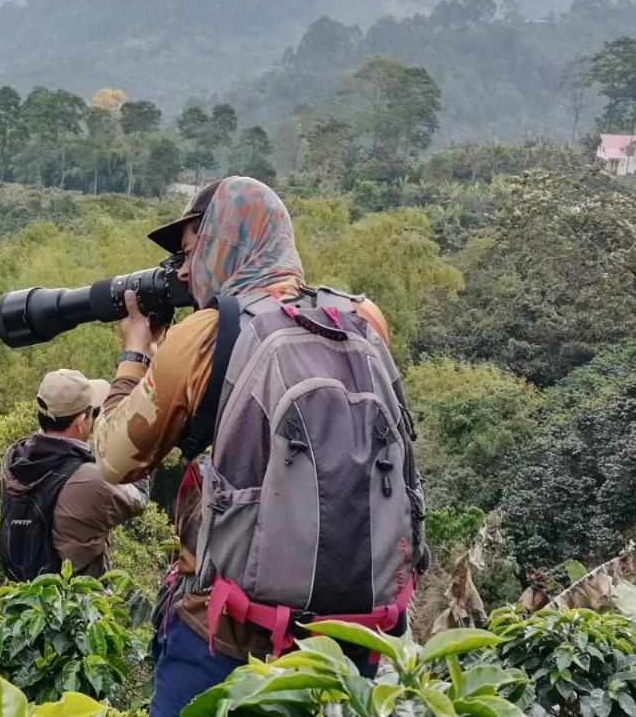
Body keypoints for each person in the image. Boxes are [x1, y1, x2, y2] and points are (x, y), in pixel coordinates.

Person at [94, 176, 426, 717]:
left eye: (188, 250)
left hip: (226, 638)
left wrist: (136, 355)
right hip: (357, 638)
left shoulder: (203, 334)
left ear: (223, 241)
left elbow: (112, 459)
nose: (181, 270)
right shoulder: (363, 318)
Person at [0, 368, 150, 579]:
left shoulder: (14, 458)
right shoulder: (89, 479)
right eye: (93, 412)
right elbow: (139, 496)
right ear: (80, 423)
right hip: (76, 603)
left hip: (25, 595)